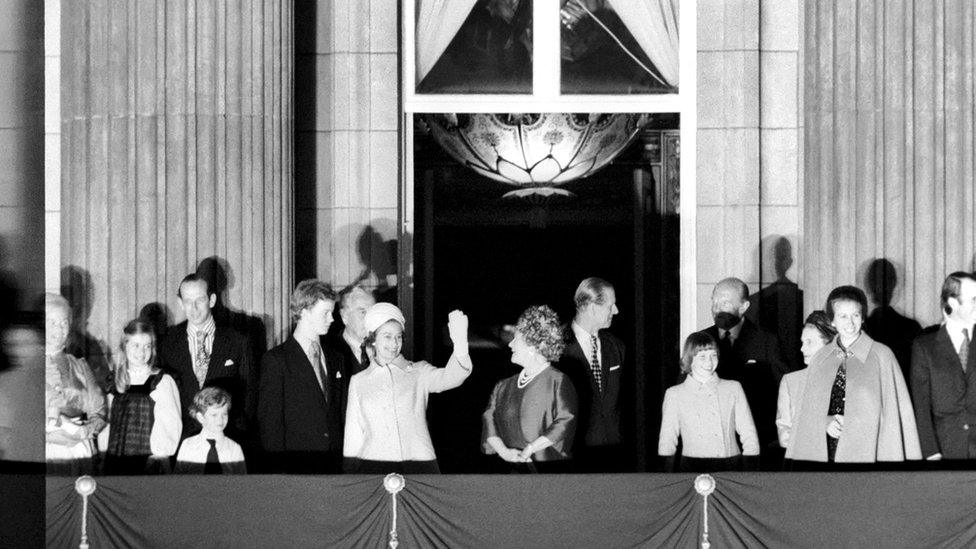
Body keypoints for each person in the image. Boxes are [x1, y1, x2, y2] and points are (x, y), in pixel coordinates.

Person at [790, 286, 921, 464]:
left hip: (868, 453)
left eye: (855, 315)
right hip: (827, 452)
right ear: (832, 320)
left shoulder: (882, 355)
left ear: (863, 317)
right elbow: (808, 411)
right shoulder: (820, 358)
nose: (850, 323)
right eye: (843, 316)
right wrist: (825, 421)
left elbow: (893, 415)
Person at [343, 304, 472, 474]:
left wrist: (460, 343)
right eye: (387, 336)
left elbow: (452, 377)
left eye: (398, 337)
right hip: (372, 467)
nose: (394, 343)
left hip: (419, 465)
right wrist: (348, 478)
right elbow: (353, 435)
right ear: (373, 338)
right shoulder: (358, 381)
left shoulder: (419, 372)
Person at [257, 280, 347, 474]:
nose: (331, 319)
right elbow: (271, 425)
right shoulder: (276, 361)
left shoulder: (336, 358)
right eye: (325, 313)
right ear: (304, 312)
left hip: (334, 466)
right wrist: (278, 471)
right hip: (296, 468)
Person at [157, 274, 254, 444]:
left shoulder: (238, 341)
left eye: (200, 300)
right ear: (180, 303)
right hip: (182, 444)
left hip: (228, 442)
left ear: (212, 300)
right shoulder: (167, 343)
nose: (193, 308)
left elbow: (250, 395)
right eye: (187, 301)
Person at [482, 305, 577, 473]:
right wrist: (505, 453)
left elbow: (565, 421)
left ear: (534, 346)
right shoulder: (502, 386)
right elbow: (489, 419)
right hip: (508, 472)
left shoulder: (558, 381)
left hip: (550, 473)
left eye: (516, 339)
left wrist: (532, 448)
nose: (510, 344)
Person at [702, 277, 786, 465]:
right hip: (711, 444)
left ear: (743, 306)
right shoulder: (700, 341)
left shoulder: (767, 342)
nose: (716, 308)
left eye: (725, 302)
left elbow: (784, 391)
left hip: (756, 444)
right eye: (714, 301)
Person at [659, 331, 759, 472]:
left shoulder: (733, 388)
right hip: (691, 467)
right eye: (702, 357)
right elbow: (667, 439)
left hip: (730, 465)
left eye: (713, 355)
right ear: (689, 359)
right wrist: (666, 476)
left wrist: (750, 471)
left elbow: (749, 434)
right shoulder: (674, 394)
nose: (709, 362)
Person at [555, 277, 627, 472]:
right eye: (611, 306)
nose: (616, 311)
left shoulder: (616, 347)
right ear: (592, 307)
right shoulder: (557, 348)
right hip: (571, 452)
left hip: (613, 452)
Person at [99, 319, 182, 474]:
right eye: (136, 345)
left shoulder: (161, 381)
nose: (141, 352)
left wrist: (159, 456)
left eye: (147, 346)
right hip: (115, 460)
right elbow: (106, 424)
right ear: (125, 346)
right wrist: (103, 453)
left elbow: (169, 424)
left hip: (148, 461)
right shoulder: (114, 381)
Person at [911, 272, 976, 463]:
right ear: (953, 302)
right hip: (945, 452)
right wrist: (930, 452)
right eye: (973, 299)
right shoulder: (925, 346)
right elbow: (921, 407)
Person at [44, 293, 106, 475]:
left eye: (64, 323)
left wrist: (85, 432)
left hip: (78, 450)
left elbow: (99, 411)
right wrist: (46, 436)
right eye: (52, 322)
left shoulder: (80, 365)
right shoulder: (26, 366)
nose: (59, 329)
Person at [775, 311, 836, 453]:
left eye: (809, 342)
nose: (802, 349)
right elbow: (784, 437)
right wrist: (821, 425)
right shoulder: (790, 382)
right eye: (803, 342)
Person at [175, 387, 246, 474]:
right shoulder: (188, 445)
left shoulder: (234, 448)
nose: (220, 420)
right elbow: (178, 480)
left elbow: (242, 483)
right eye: (214, 415)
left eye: (224, 414)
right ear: (200, 417)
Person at [327, 285, 376, 375]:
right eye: (362, 312)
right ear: (345, 316)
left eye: (372, 312)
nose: (369, 319)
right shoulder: (329, 353)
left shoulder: (382, 348)